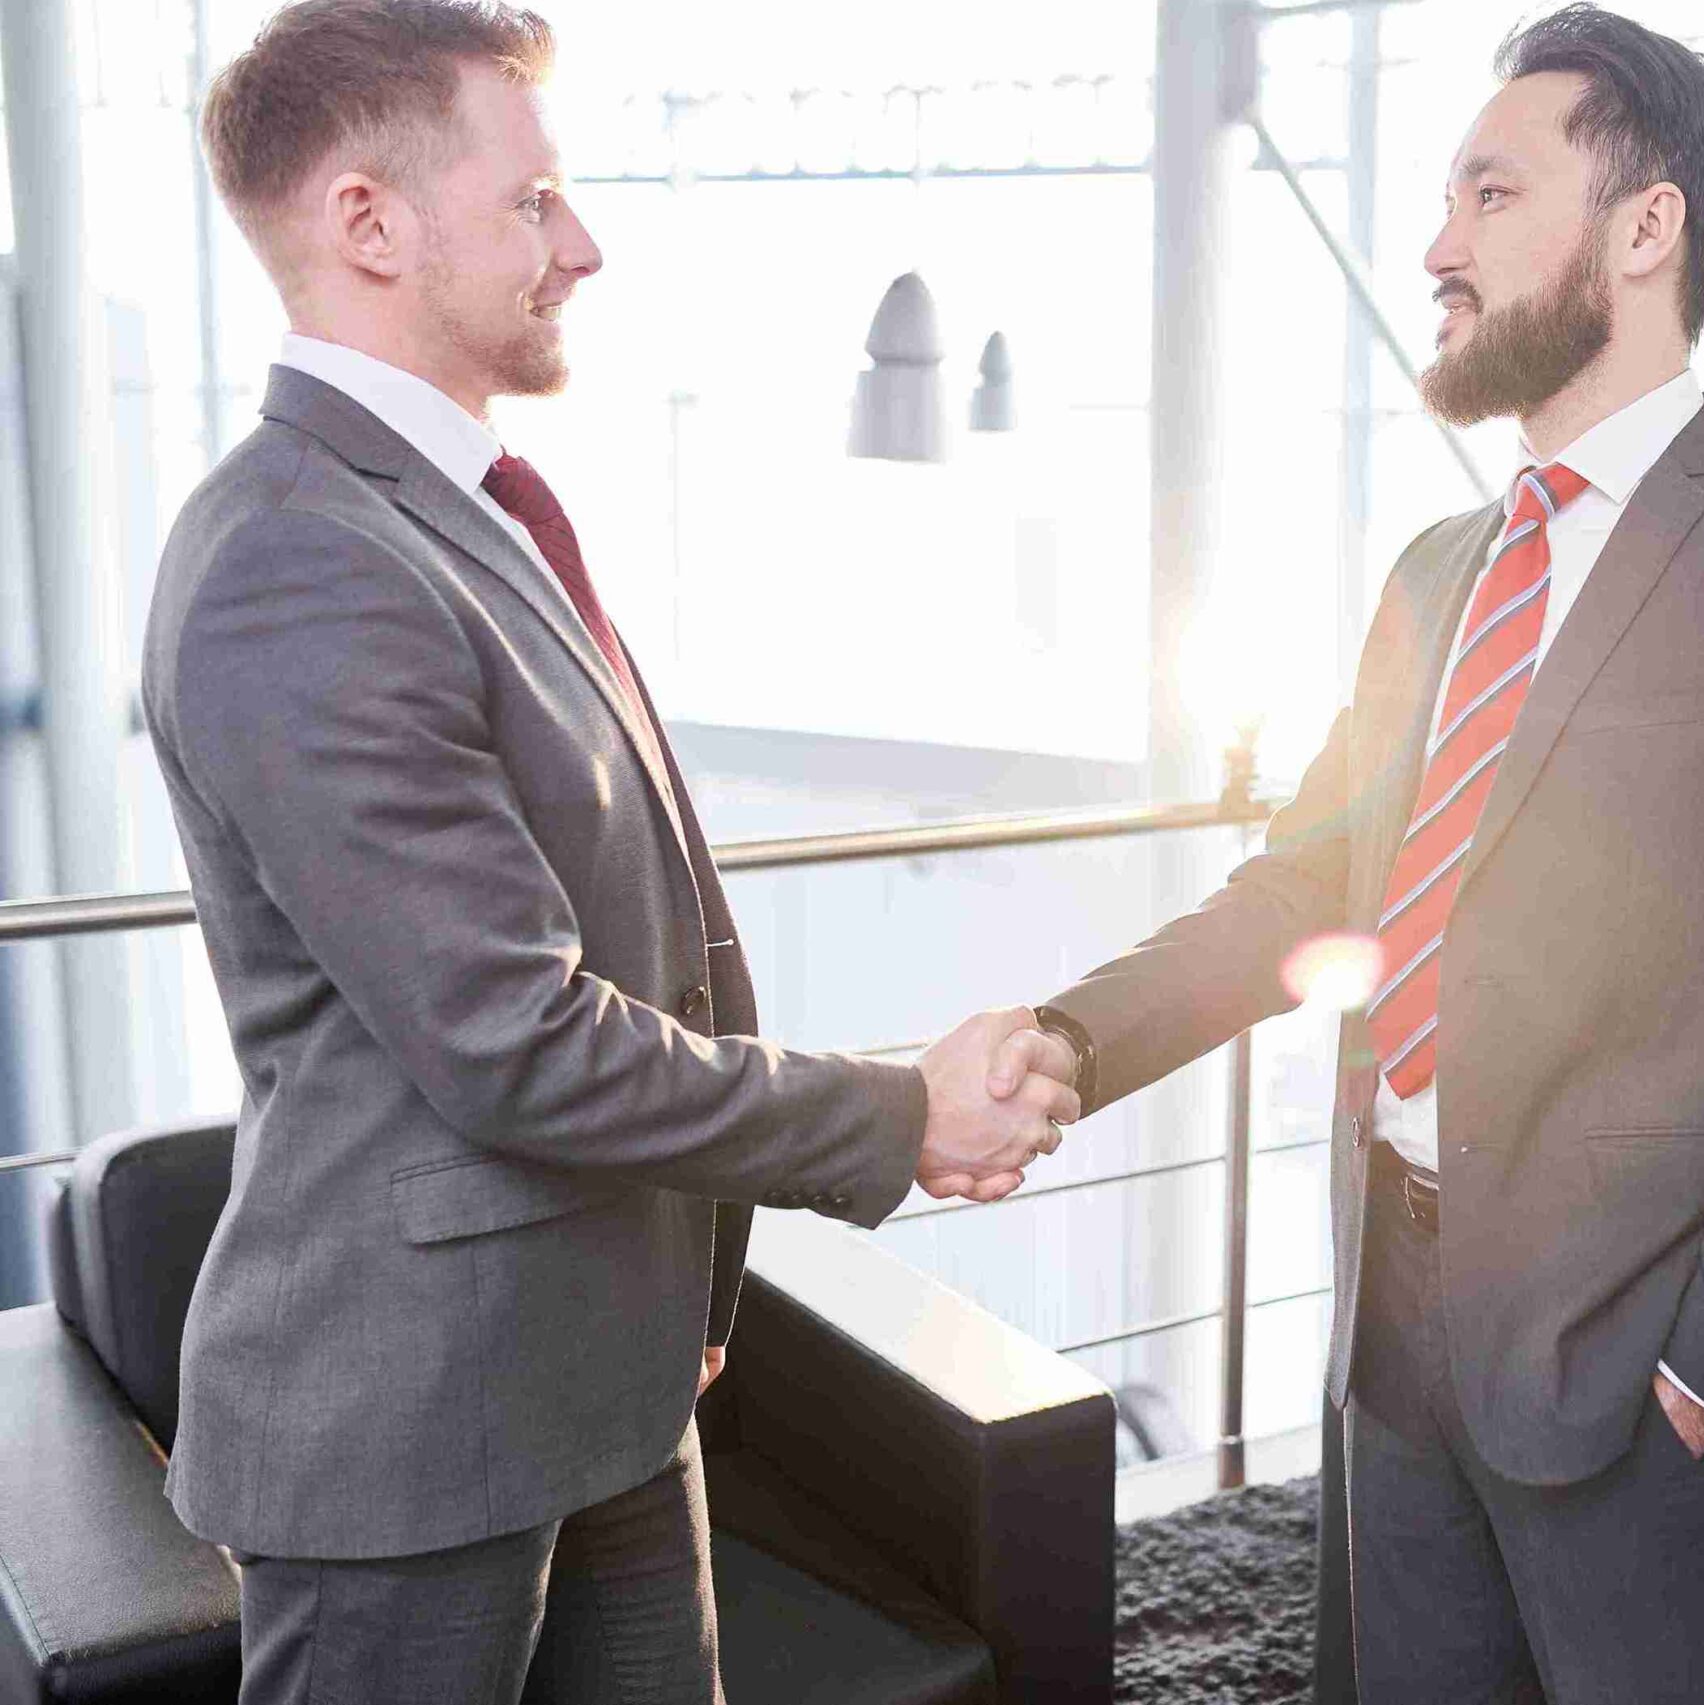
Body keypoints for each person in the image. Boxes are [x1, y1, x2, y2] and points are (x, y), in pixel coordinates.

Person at [1013, 7, 1704, 1697]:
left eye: (1490, 195)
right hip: (1392, 1326)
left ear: (1644, 227)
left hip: (1636, 1370)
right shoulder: (1440, 567)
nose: (1439, 246)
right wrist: (1070, 1045)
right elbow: (1309, 888)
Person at [142, 4, 1079, 1700]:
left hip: (609, 1381)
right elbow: (516, 1041)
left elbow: (650, 927)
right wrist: (895, 1112)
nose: (584, 243)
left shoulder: (462, 510)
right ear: (368, 223)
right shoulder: (298, 562)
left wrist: (691, 1284)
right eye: (535, 201)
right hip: (411, 1439)